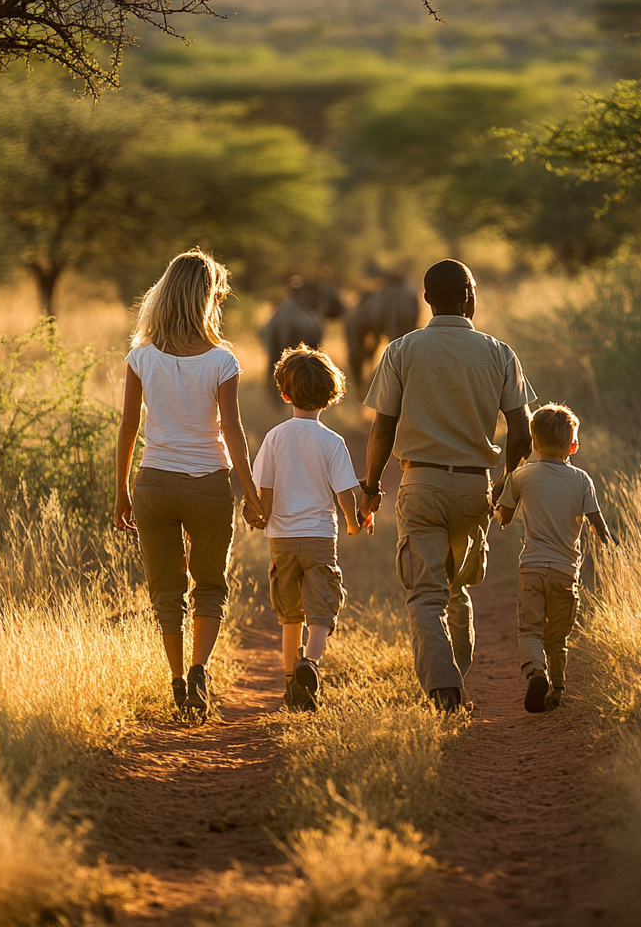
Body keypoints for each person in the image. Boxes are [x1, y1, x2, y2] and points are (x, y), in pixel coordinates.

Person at [359, 259, 536, 712]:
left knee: (425, 594)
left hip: (420, 484)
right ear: (469, 296)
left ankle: (443, 688)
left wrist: (372, 486)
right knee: (458, 591)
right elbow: (521, 434)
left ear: (425, 300)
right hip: (475, 489)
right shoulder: (500, 353)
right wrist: (501, 485)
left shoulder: (401, 350)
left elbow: (382, 431)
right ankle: (455, 679)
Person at [114, 249, 263, 717]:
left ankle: (177, 680)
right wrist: (252, 494)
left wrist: (120, 491)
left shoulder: (141, 356)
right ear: (206, 298)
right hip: (208, 485)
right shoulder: (222, 360)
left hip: (153, 484)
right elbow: (233, 431)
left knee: (165, 592)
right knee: (210, 585)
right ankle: (201, 672)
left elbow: (128, 428)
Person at [253, 344, 364, 712]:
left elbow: (264, 489)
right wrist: (351, 522)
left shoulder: (274, 437)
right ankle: (310, 663)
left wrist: (264, 515)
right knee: (322, 610)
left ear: (284, 394)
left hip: (282, 540)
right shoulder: (332, 441)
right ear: (330, 396)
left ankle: (291, 685)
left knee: (290, 615)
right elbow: (345, 492)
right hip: (319, 538)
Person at [497, 403, 616, 713]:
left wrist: (498, 510)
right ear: (573, 445)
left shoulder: (522, 476)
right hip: (565, 571)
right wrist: (611, 544)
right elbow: (598, 524)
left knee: (529, 630)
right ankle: (558, 690)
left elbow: (504, 518)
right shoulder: (582, 480)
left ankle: (536, 671)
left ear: (534, 443)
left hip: (532, 568)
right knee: (557, 635)